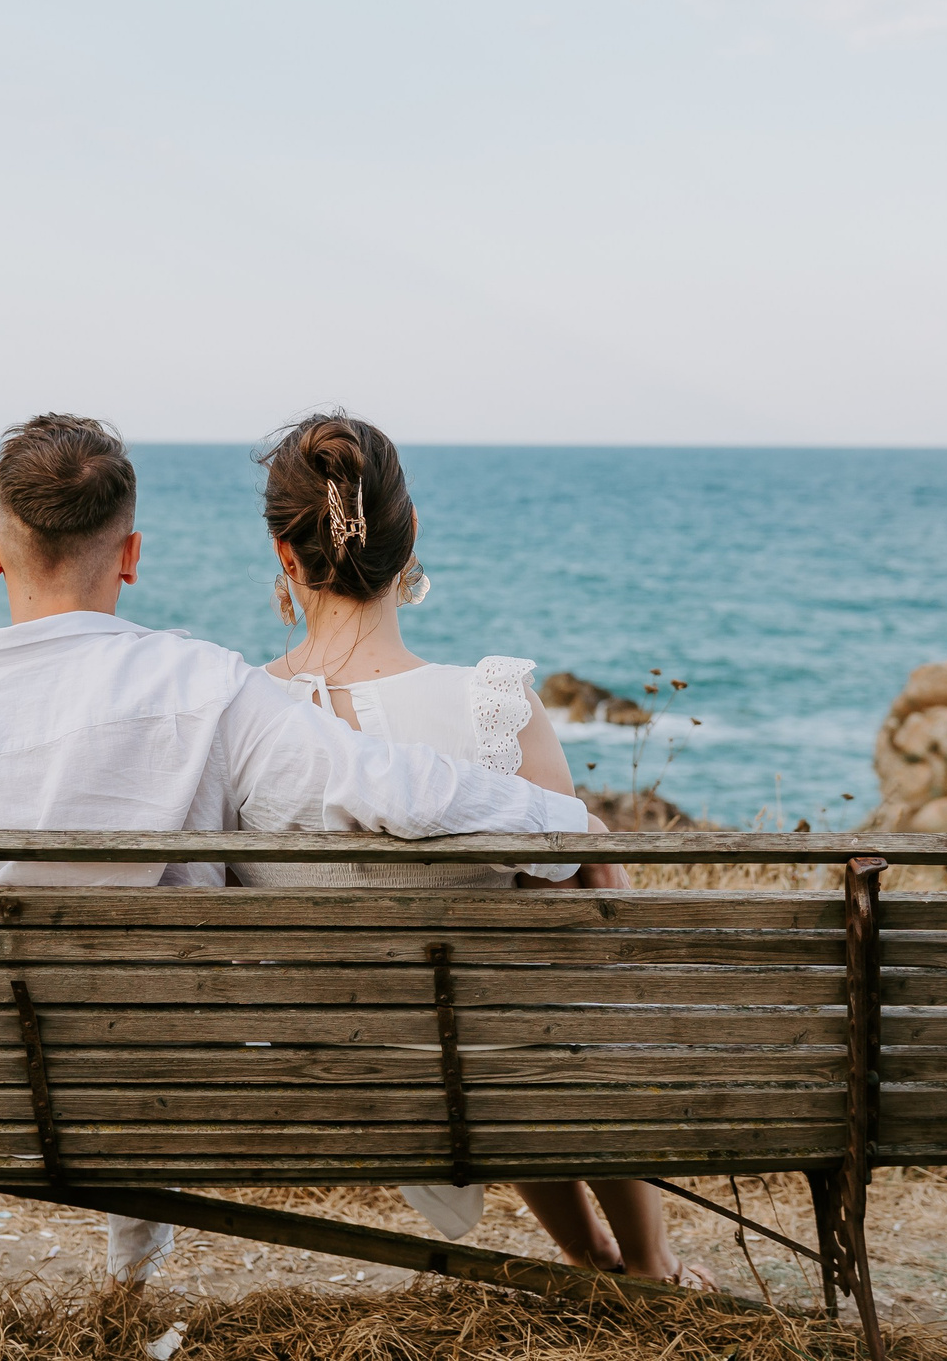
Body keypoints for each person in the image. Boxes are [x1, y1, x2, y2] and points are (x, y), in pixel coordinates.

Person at [0, 413, 599, 1287]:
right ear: (131, 554)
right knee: (136, 1007)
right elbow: (380, 784)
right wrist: (565, 827)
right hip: (146, 1081)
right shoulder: (200, 685)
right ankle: (131, 1284)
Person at [234, 412, 716, 1290]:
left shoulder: (237, 717)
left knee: (486, 1015)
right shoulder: (494, 704)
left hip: (327, 1068)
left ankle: (588, 1255)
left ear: (284, 554)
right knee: (527, 992)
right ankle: (645, 1262)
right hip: (486, 1064)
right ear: (408, 536)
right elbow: (579, 931)